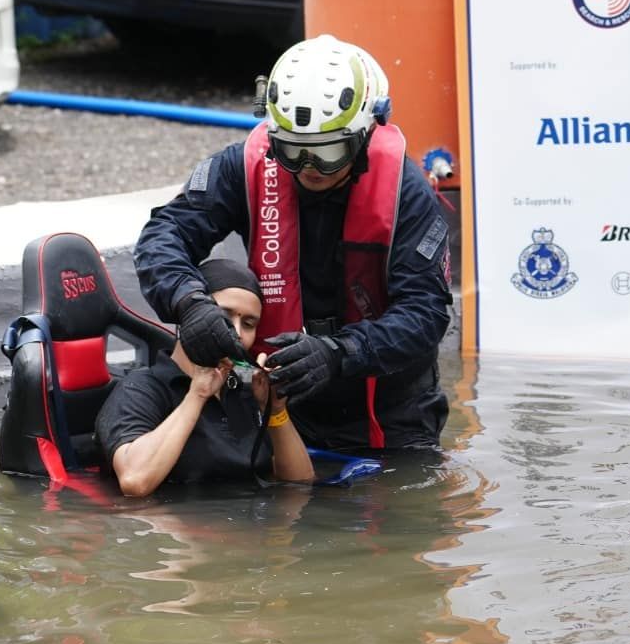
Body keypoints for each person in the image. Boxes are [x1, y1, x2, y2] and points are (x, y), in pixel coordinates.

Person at [135, 34, 452, 452]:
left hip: (391, 410)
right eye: (292, 150)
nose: (309, 168)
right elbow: (164, 233)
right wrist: (189, 302)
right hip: (279, 400)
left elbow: (426, 313)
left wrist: (340, 353)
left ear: (364, 138)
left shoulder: (407, 195)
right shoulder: (242, 166)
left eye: (327, 152)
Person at [96, 258, 314, 497]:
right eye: (224, 315)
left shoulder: (246, 388)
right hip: (172, 527)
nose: (237, 333)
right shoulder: (140, 389)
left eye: (249, 324)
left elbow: (300, 486)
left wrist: (274, 409)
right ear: (190, 316)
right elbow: (134, 480)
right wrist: (197, 394)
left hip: (247, 525)